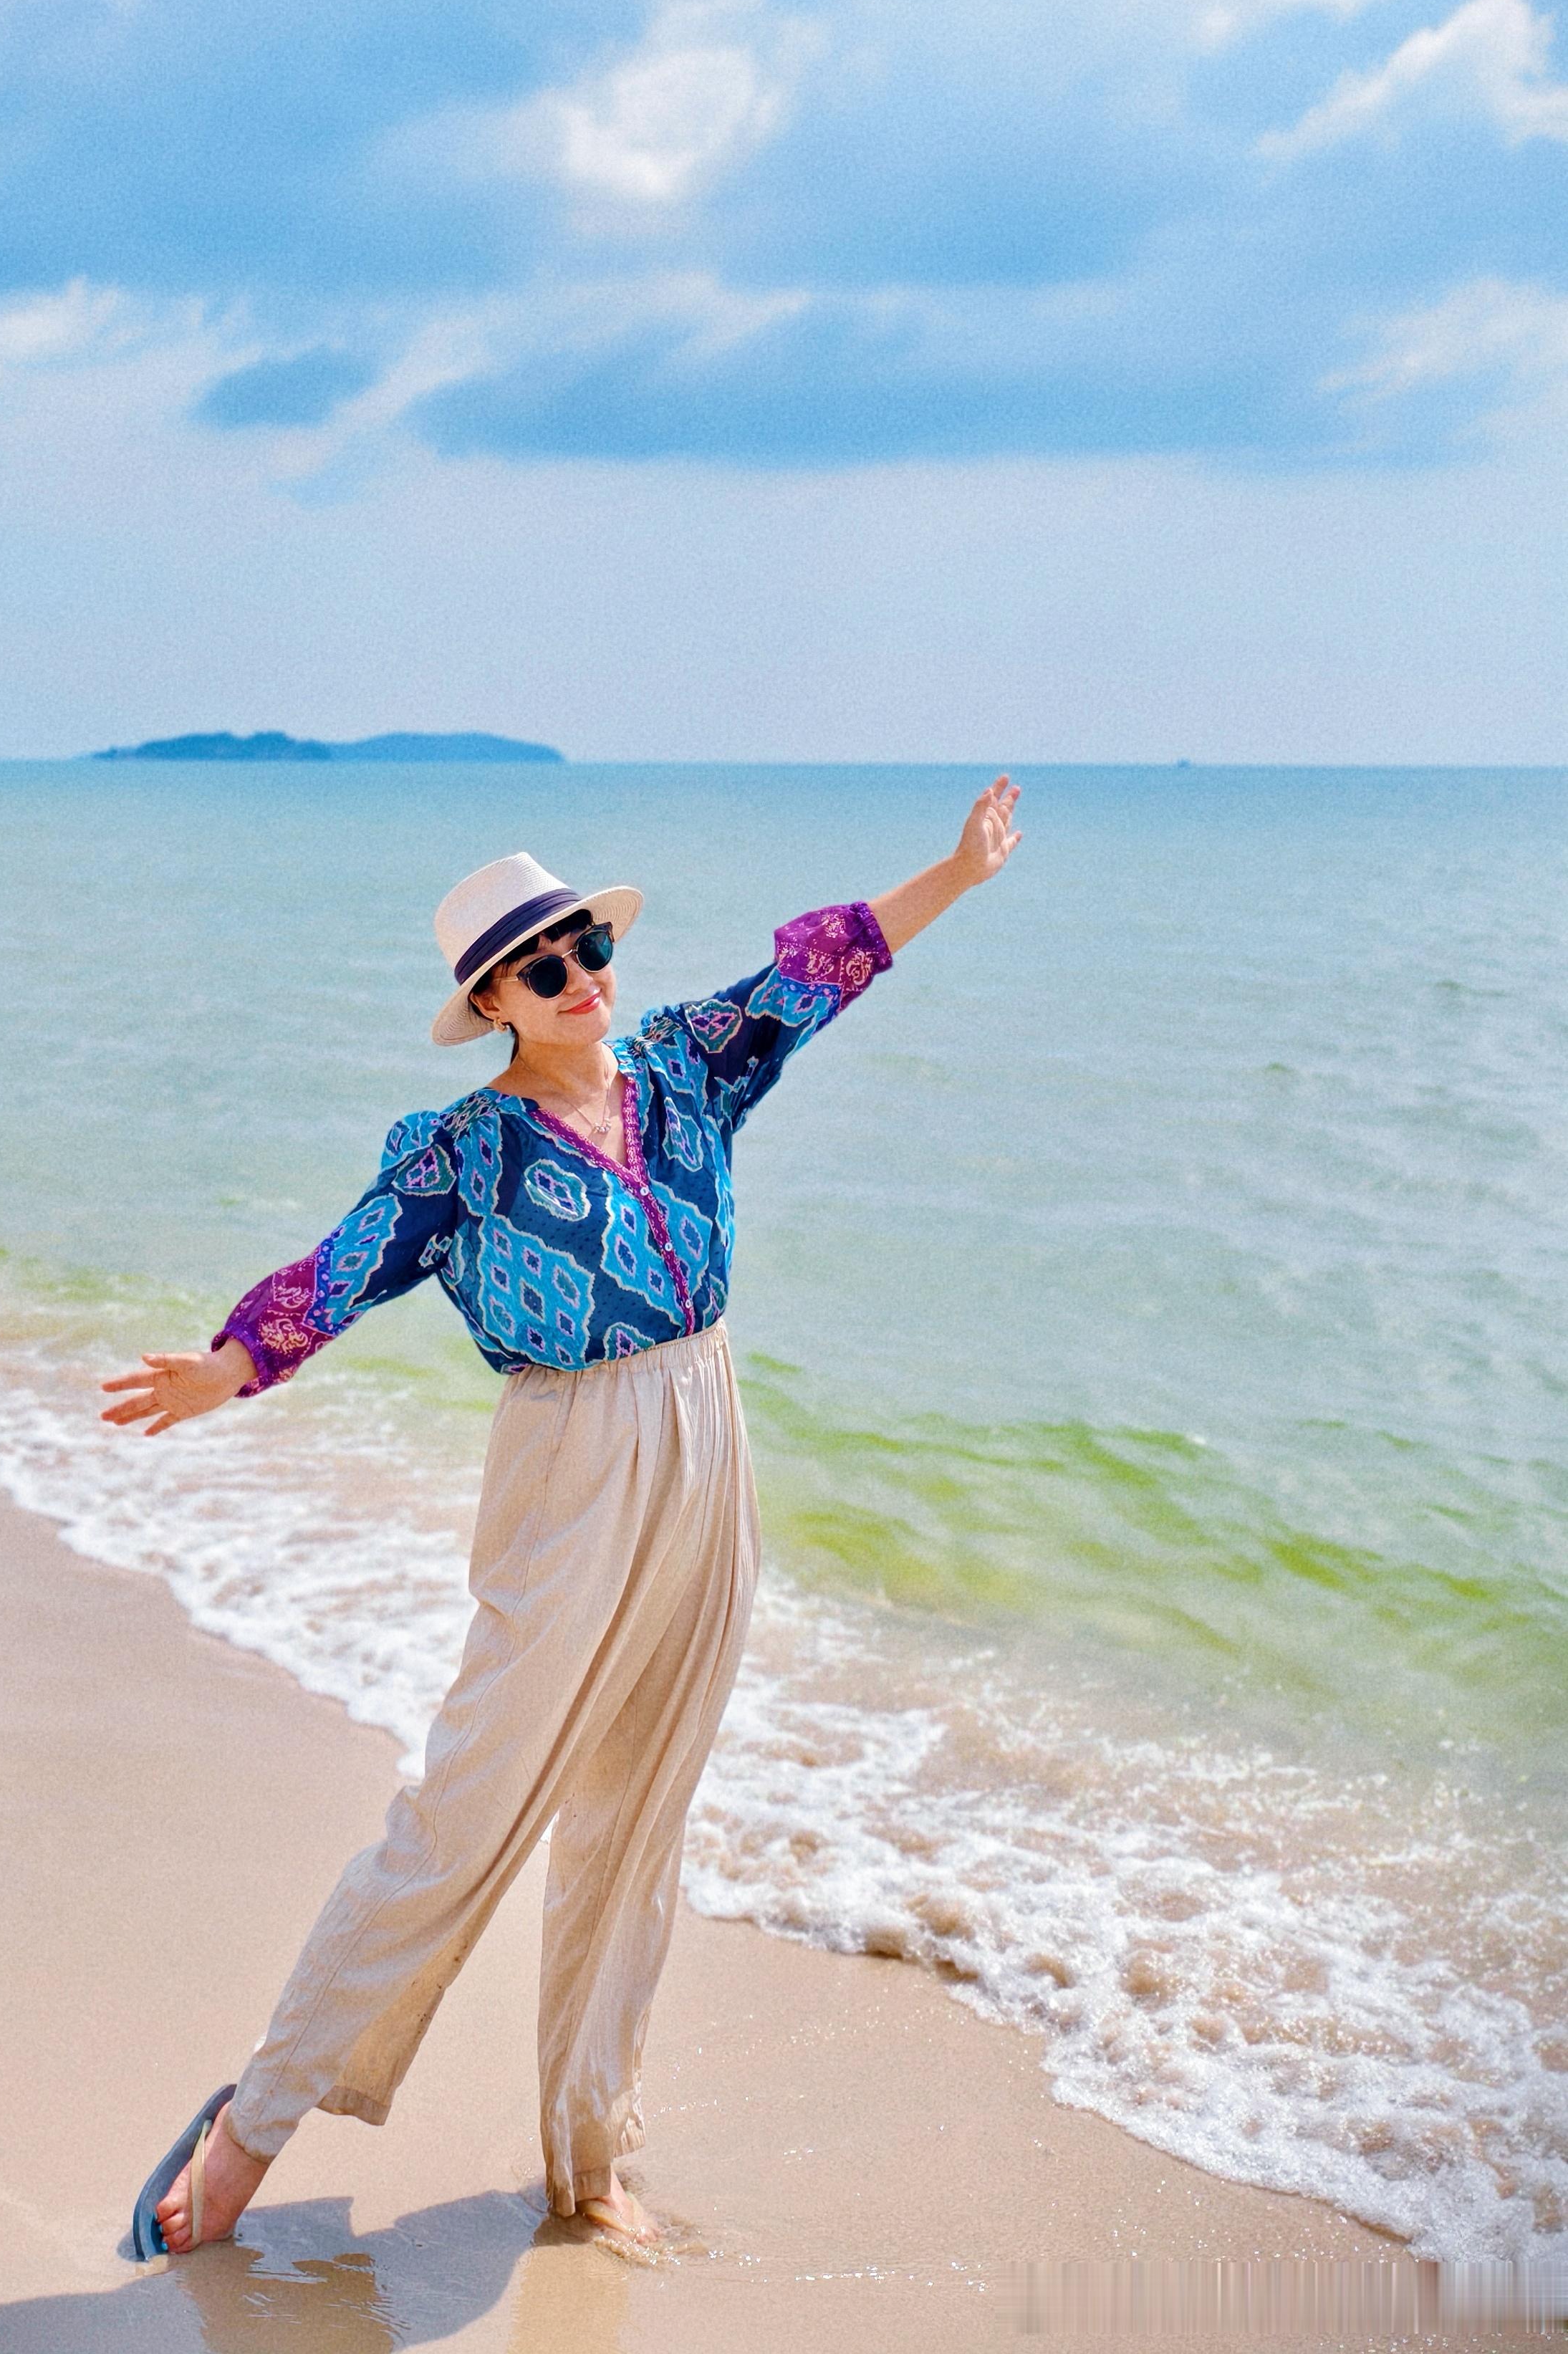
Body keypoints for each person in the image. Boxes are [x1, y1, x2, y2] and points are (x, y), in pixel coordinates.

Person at [101, 779, 1021, 2255]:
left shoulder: (680, 1066)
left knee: (640, 1816)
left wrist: (956, 875)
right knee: (461, 1814)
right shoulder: (458, 1151)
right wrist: (225, 1366)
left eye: (592, 945)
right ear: (494, 998)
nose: (587, 975)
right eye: (549, 965)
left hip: (708, 1431)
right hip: (571, 1455)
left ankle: (589, 2155)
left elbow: (816, 971)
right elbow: (344, 1269)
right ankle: (251, 2124)